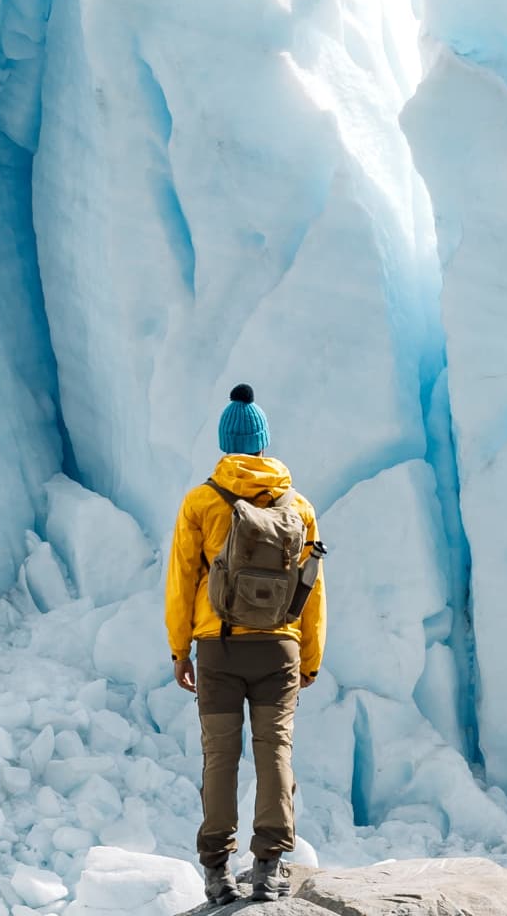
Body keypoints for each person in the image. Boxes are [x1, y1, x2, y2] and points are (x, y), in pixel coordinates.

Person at [165, 384, 326, 904]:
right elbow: (312, 589)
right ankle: (269, 867)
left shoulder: (202, 502)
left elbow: (181, 579)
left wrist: (180, 649)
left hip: (219, 648)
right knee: (275, 750)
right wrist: (310, 659)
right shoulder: (298, 506)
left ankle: (217, 871)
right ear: (262, 442)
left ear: (224, 442)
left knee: (220, 756)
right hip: (279, 648)